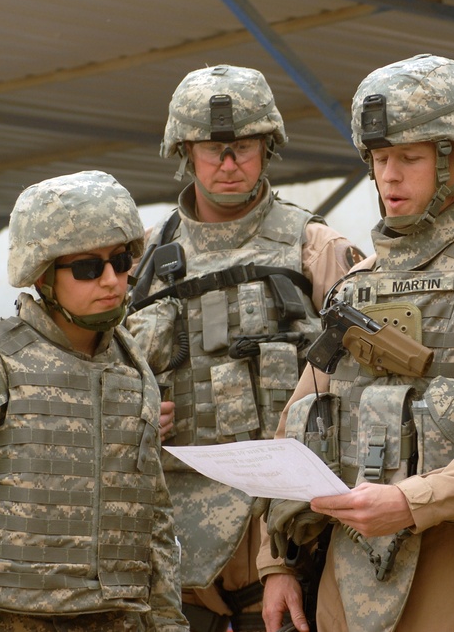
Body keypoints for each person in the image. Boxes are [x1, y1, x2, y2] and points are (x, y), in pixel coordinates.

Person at [259, 53, 454, 632]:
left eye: (409, 157)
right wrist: (277, 563)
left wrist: (413, 501)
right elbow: (295, 431)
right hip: (344, 588)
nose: (389, 176)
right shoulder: (354, 289)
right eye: (380, 158)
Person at [125, 64, 363, 632]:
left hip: (287, 535)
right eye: (213, 149)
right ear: (185, 151)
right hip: (173, 546)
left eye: (245, 147)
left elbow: (363, 386)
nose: (229, 164)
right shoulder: (142, 262)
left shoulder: (316, 248)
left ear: (268, 148)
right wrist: (126, 416)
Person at [0, 171, 188, 631]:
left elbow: (153, 520)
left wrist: (168, 623)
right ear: (42, 273)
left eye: (121, 259)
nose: (112, 279)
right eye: (88, 267)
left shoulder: (133, 369)